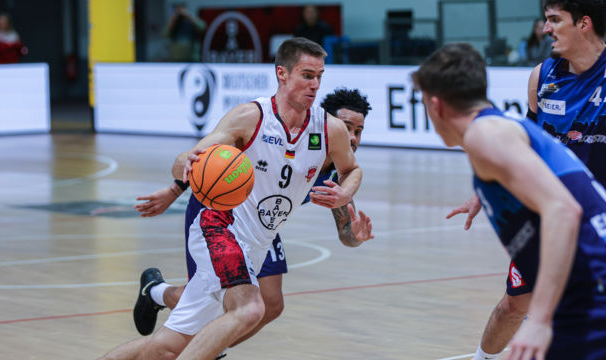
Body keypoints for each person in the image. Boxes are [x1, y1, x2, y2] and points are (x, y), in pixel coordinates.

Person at [98, 37, 363, 360]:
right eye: (307, 75)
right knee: (251, 308)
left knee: (165, 347)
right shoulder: (249, 117)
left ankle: (184, 325)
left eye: (320, 76)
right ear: (282, 73)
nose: (315, 84)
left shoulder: (329, 132)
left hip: (256, 243)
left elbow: (353, 171)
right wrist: (179, 177)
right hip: (220, 228)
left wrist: (345, 196)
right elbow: (191, 158)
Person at [414, 41, 606, 360]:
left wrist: (541, 321)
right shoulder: (499, 130)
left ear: (435, 105)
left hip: (590, 287)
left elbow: (563, 209)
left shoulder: (484, 136)